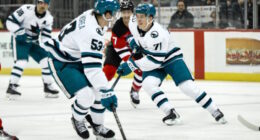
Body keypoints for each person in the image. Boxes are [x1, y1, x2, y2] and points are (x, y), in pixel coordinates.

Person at [117, 3, 227, 125]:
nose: (139, 19)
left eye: (142, 16)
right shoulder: (133, 22)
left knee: (187, 87)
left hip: (171, 58)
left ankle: (214, 110)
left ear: (151, 18)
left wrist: (132, 65)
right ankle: (170, 112)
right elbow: (137, 37)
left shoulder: (158, 34)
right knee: (148, 84)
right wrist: (134, 41)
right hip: (154, 59)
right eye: (137, 16)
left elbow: (155, 60)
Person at [44, 0, 120, 139]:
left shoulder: (93, 16)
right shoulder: (90, 31)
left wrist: (102, 89)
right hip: (61, 61)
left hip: (76, 57)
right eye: (114, 13)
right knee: (86, 96)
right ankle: (77, 118)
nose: (115, 16)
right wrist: (106, 90)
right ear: (106, 14)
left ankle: (98, 126)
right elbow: (93, 69)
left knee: (98, 92)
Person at [5, 0, 59, 100]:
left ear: (48, 5)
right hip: (20, 40)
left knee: (46, 60)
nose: (42, 5)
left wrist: (50, 47)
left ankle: (47, 86)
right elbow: (10, 21)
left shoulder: (49, 18)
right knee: (21, 62)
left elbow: (45, 37)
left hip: (33, 42)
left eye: (45, 3)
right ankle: (12, 86)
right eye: (40, 2)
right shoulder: (25, 9)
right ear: (37, 3)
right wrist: (19, 32)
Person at [103, 0, 142, 108]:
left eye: (128, 12)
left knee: (141, 70)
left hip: (135, 49)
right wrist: (129, 62)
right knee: (108, 72)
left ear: (132, 13)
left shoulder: (139, 23)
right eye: (124, 12)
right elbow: (120, 48)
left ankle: (135, 90)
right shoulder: (117, 27)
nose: (126, 15)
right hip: (116, 50)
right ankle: (99, 92)